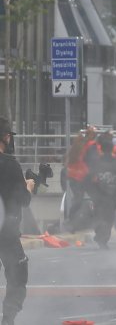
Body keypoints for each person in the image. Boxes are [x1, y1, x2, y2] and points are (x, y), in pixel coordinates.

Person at [0, 117, 34, 325]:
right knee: (17, 274)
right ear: (5, 136)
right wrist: (29, 186)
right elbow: (23, 199)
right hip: (6, 233)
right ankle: (8, 318)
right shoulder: (10, 165)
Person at [88, 132, 116, 249]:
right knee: (109, 218)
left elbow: (89, 177)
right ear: (112, 149)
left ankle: (100, 236)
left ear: (101, 148)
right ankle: (103, 239)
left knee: (99, 215)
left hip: (98, 194)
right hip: (111, 196)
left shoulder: (95, 161)